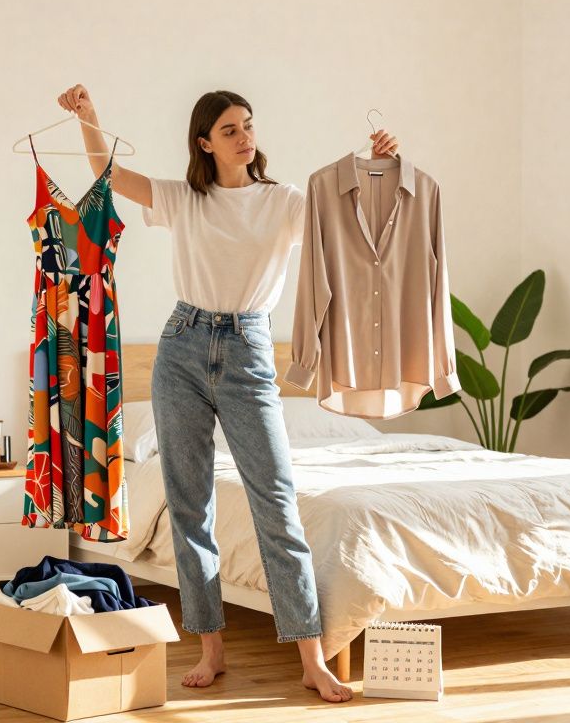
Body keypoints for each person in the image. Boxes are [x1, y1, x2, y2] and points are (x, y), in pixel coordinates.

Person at [54, 84, 397, 704]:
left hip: (249, 350)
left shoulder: (286, 202)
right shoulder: (184, 198)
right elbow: (109, 176)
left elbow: (355, 223)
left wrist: (377, 168)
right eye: (231, 130)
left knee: (277, 505)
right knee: (190, 506)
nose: (245, 137)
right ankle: (211, 649)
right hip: (181, 347)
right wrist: (90, 120)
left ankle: (312, 659)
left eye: (248, 125)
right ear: (205, 143)